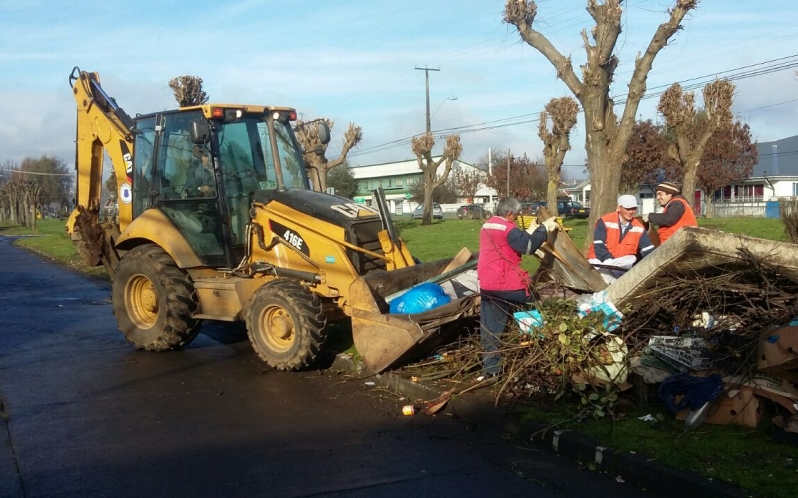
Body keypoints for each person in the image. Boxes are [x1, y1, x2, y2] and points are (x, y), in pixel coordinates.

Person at [477, 197, 559, 377]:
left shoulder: (487, 225)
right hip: (508, 285)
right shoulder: (508, 228)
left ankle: (491, 370)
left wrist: (526, 232)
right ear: (509, 213)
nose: (516, 218)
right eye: (516, 215)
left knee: (490, 329)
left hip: (488, 284)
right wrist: (543, 229)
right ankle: (539, 345)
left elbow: (510, 242)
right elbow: (527, 247)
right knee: (536, 303)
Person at [587, 194, 655, 283]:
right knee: (610, 280)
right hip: (600, 261)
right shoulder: (605, 221)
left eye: (634, 208)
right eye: (628, 208)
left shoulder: (639, 227)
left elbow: (648, 249)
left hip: (620, 264)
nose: (631, 212)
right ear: (619, 208)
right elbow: (599, 246)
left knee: (631, 259)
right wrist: (610, 262)